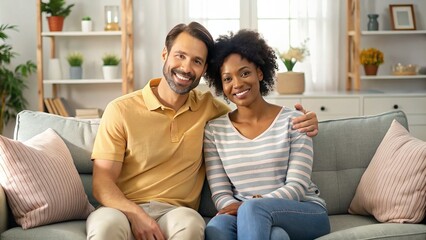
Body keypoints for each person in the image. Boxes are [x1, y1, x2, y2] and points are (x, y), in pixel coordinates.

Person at [86, 22, 319, 240]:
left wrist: (306, 119)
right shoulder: (121, 109)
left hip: (176, 212)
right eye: (180, 56)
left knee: (192, 227)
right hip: (120, 208)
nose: (186, 67)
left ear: (204, 69)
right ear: (165, 54)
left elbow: (248, 111)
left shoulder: (210, 111)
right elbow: (102, 181)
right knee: (107, 227)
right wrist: (136, 214)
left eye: (197, 61)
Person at [203, 29, 330, 240]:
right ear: (221, 85)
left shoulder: (295, 121)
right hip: (245, 214)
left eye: (245, 73)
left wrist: (252, 206)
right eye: (227, 78)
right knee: (218, 227)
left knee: (254, 212)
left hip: (304, 210)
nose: (237, 84)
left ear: (259, 73)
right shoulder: (214, 131)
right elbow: (220, 193)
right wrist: (244, 209)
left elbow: (297, 187)